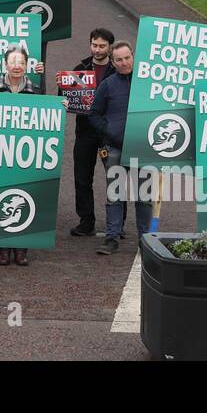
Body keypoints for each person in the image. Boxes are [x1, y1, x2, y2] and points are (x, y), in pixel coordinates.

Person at [0, 46, 40, 266]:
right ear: (5, 64)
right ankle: (2, 249)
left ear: (26, 65)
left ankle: (22, 249)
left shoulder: (36, 89)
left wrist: (59, 106)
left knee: (26, 195)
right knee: (1, 196)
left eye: (21, 62)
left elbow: (44, 119)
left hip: (25, 153)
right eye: (13, 62)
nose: (17, 66)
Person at [88, 41, 151, 255]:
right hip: (115, 148)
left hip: (144, 148)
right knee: (115, 195)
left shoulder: (148, 83)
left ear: (133, 56)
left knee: (144, 197)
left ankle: (146, 240)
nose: (124, 63)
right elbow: (94, 114)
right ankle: (111, 238)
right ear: (113, 63)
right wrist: (109, 132)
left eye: (127, 58)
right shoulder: (107, 85)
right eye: (119, 60)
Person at [62, 28, 116, 238]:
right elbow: (65, 94)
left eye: (102, 46)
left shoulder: (118, 70)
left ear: (109, 47)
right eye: (94, 45)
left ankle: (116, 223)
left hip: (110, 132)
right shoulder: (80, 69)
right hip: (84, 132)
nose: (97, 49)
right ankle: (86, 221)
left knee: (115, 177)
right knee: (82, 178)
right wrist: (64, 98)